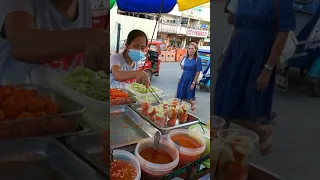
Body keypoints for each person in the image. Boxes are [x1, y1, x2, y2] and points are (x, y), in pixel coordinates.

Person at [214, 0, 295, 156]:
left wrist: (268, 68)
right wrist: (227, 55)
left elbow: (283, 33)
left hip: (259, 57)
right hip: (236, 53)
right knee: (221, 103)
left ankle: (261, 134)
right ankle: (221, 152)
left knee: (240, 105)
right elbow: (236, 28)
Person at [0, 0, 109, 85]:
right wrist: (88, 37)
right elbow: (21, 44)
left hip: (61, 104)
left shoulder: (83, 5)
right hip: (16, 104)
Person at [176, 42, 202, 111]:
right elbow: (183, 69)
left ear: (195, 50)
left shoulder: (197, 59)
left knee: (187, 96)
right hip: (183, 78)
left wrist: (193, 83)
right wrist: (180, 78)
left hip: (191, 79)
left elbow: (198, 71)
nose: (190, 50)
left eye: (192, 48)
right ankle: (179, 108)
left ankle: (191, 103)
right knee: (178, 94)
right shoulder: (185, 58)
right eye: (189, 48)